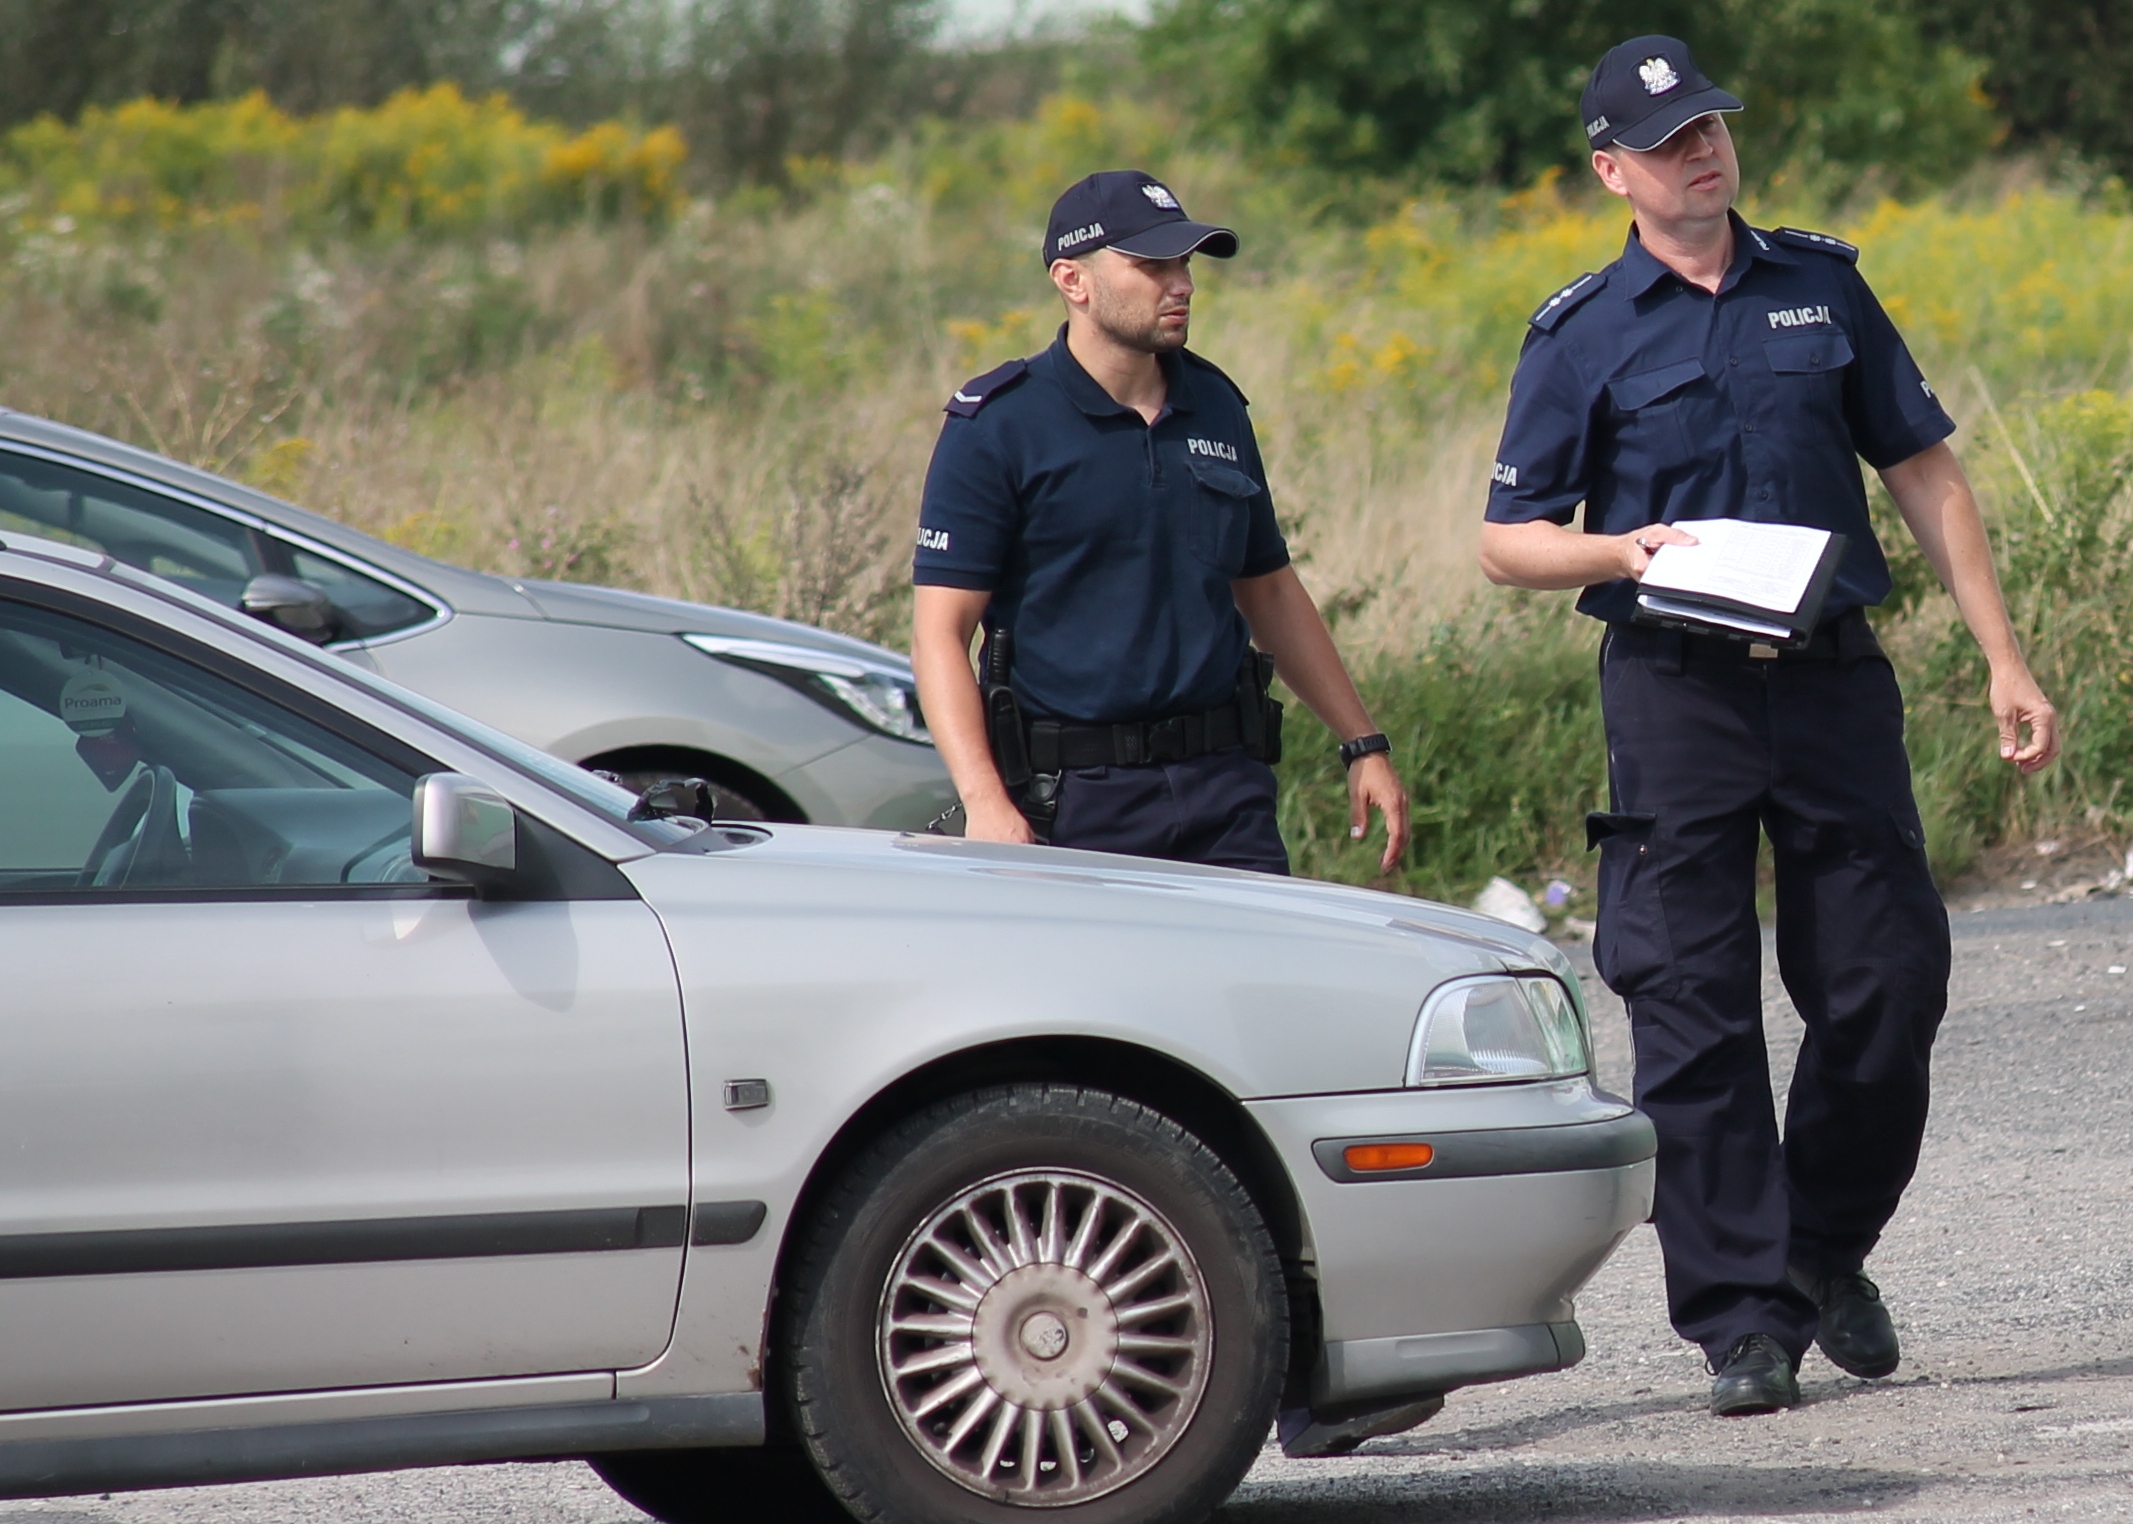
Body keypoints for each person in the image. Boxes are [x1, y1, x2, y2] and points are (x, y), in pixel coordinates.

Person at [1480, 36, 2059, 1416]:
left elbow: (1922, 469)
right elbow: (1508, 542)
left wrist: (2001, 656)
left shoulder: (1821, 288)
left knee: (1887, 983)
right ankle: (1743, 1321)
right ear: (1612, 168)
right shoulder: (1580, 333)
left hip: (1829, 679)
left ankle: (1817, 1251)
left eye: (1714, 130)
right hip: (1675, 695)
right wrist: (1619, 554)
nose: (1704, 152)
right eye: (1670, 140)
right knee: (1689, 1009)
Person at [911, 169, 1408, 874]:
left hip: (1225, 791)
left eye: (1183, 262)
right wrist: (986, 801)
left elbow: (1266, 590)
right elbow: (939, 634)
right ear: (1071, 280)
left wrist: (1362, 742)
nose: (1181, 284)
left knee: (1254, 983)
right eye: (1150, 265)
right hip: (1074, 803)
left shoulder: (1216, 405)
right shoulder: (998, 426)